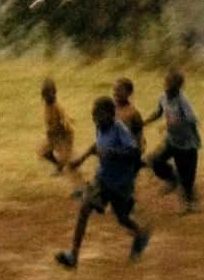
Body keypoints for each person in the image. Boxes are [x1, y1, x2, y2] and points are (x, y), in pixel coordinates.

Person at [55, 96, 150, 269]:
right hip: (102, 180)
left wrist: (114, 153)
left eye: (98, 115)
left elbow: (133, 151)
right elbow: (97, 146)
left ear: (110, 115)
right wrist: (81, 159)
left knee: (122, 218)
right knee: (84, 208)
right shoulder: (100, 127)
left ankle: (140, 233)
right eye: (93, 115)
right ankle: (73, 256)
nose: (94, 118)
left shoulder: (119, 129)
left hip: (121, 183)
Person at [145, 69, 201, 212]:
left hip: (187, 144)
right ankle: (172, 179)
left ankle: (190, 203)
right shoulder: (163, 97)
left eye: (171, 85)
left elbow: (192, 119)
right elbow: (159, 111)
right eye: (166, 83)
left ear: (178, 87)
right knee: (155, 160)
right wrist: (146, 121)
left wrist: (170, 124)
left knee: (187, 175)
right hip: (172, 140)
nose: (167, 86)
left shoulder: (183, 101)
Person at [38, 77, 77, 177]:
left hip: (64, 135)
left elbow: (64, 117)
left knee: (65, 158)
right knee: (44, 152)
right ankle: (59, 166)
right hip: (53, 135)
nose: (47, 97)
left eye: (49, 94)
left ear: (54, 93)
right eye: (45, 94)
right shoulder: (47, 105)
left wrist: (66, 122)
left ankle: (62, 168)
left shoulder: (57, 106)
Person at [113, 77, 146, 159]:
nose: (116, 93)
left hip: (126, 151)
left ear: (129, 93)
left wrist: (139, 148)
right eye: (115, 90)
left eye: (120, 90)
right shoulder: (110, 108)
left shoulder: (133, 112)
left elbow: (139, 134)